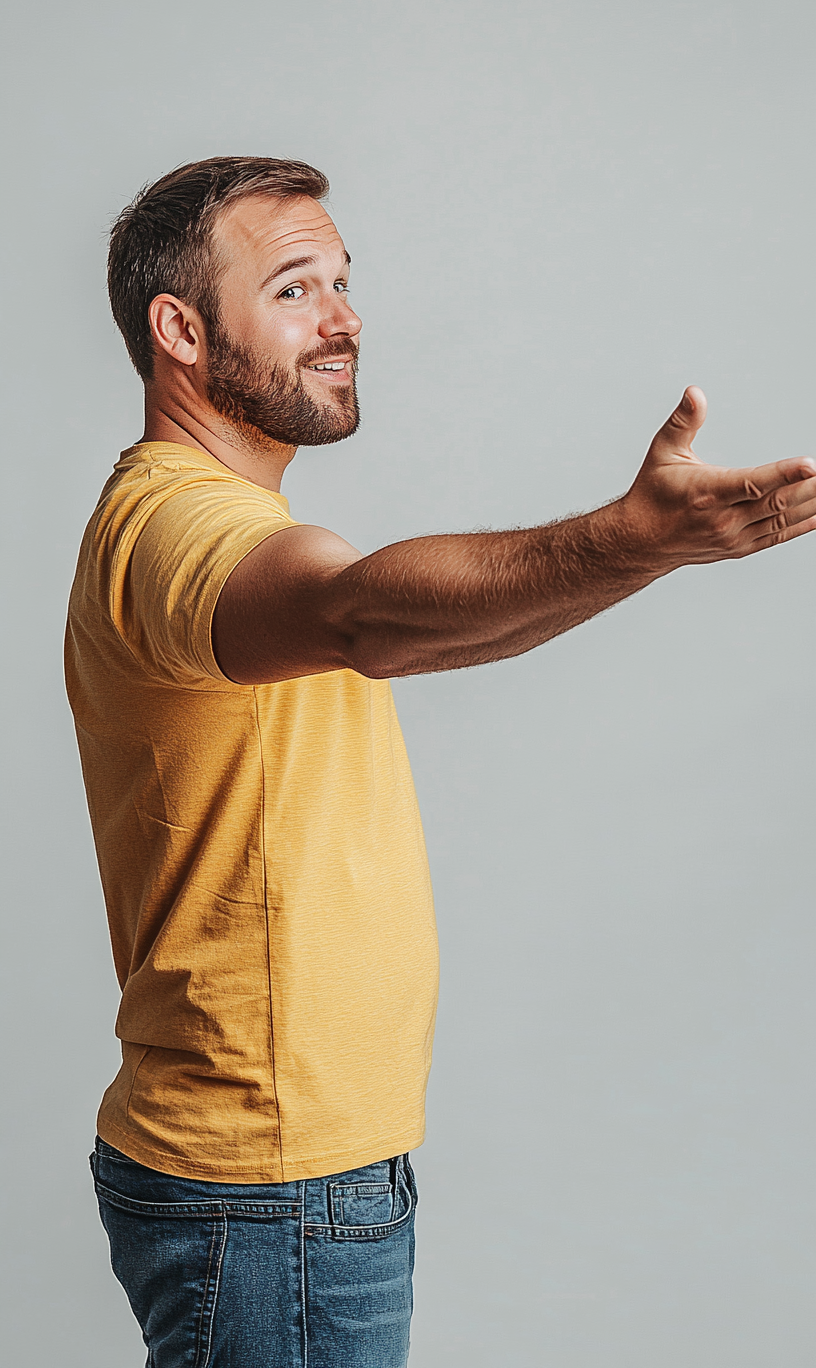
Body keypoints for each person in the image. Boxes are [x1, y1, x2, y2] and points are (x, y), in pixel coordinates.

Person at [65, 155, 816, 1368]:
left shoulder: (224, 516)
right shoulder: (173, 527)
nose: (348, 317)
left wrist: (642, 555)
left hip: (299, 1174)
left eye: (347, 283)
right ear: (182, 330)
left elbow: (412, 642)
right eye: (298, 288)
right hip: (270, 1185)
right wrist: (625, 538)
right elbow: (367, 615)